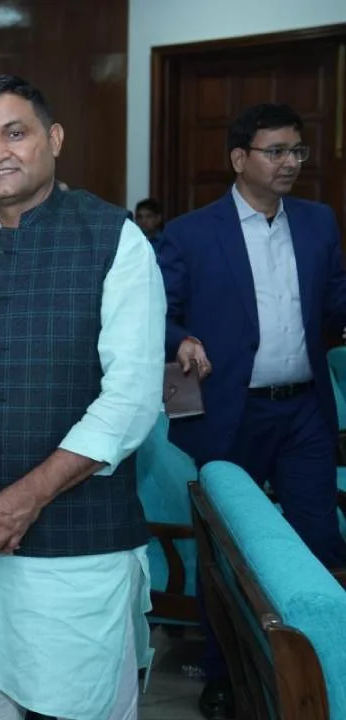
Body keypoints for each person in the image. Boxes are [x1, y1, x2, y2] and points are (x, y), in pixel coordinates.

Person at [0, 74, 164, 720]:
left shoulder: (114, 240)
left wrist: (25, 499)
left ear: (55, 138)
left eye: (15, 133)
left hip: (76, 556)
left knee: (82, 706)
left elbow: (129, 401)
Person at [157, 102, 346, 720]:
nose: (291, 162)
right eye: (277, 151)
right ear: (240, 158)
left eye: (297, 150)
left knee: (317, 539)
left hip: (304, 411)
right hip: (228, 411)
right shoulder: (191, 232)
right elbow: (159, 310)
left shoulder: (318, 222)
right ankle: (223, 674)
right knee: (228, 552)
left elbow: (335, 304)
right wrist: (180, 340)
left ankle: (319, 676)